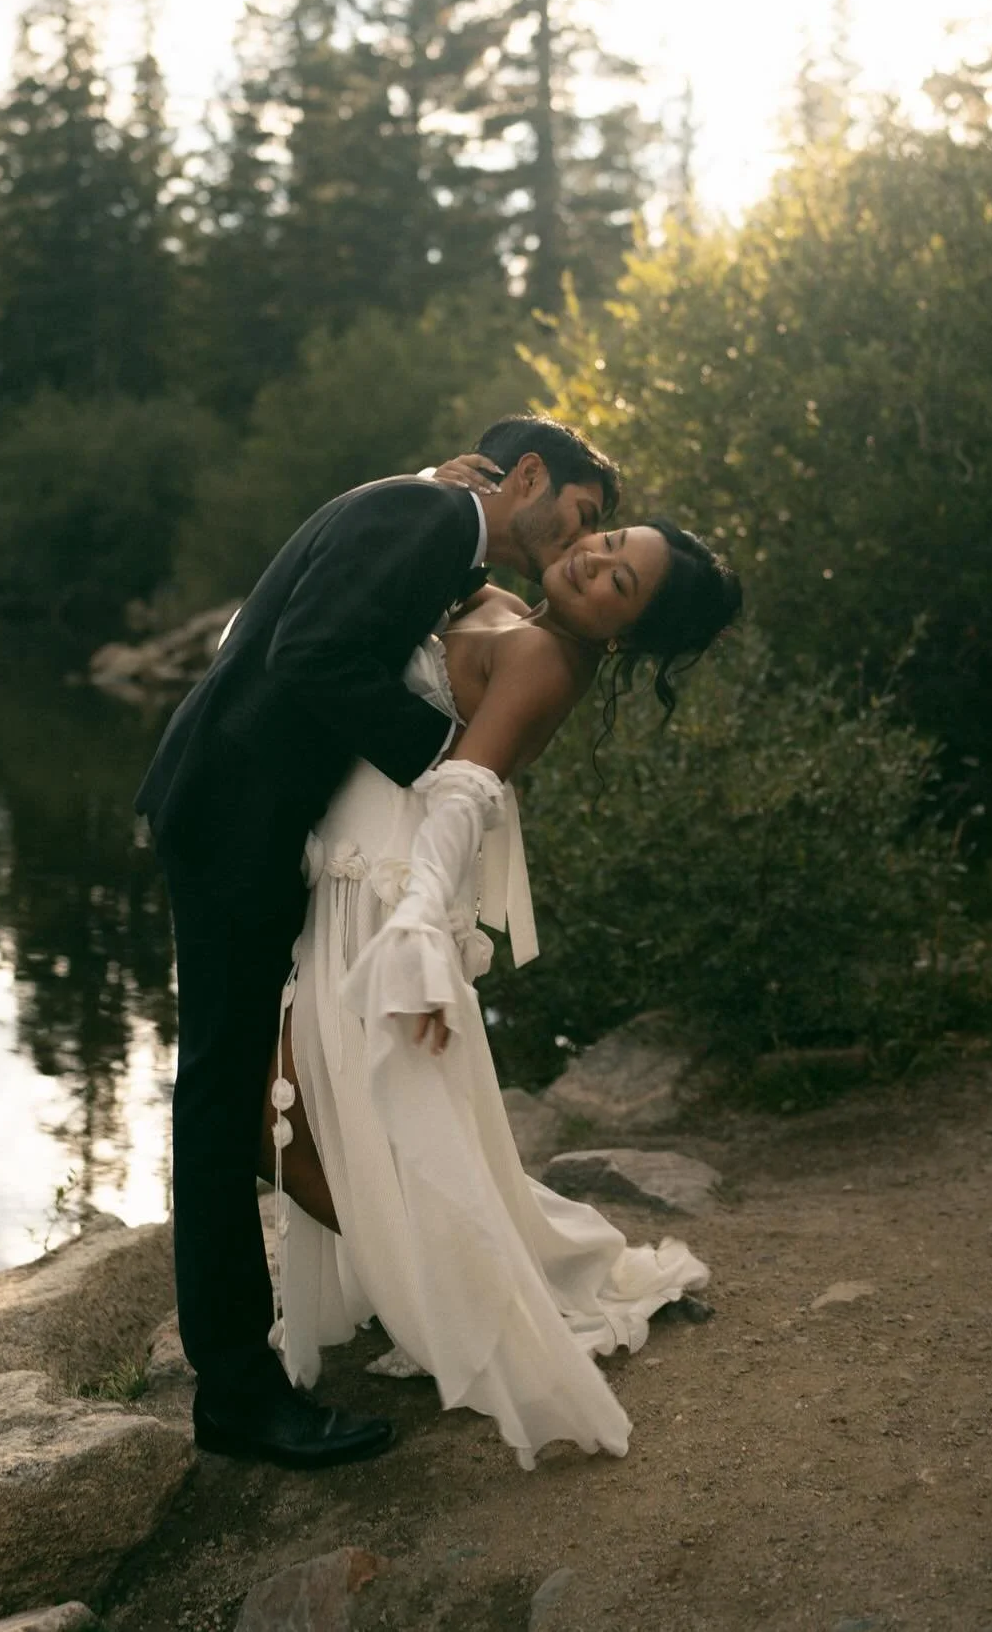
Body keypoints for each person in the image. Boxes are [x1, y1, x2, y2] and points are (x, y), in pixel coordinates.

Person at [135, 416, 621, 1471]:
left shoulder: (433, 523)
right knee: (220, 1100)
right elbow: (309, 653)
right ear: (528, 476)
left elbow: (326, 624)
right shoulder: (427, 515)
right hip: (232, 820)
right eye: (582, 513)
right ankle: (237, 1392)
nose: (580, 540)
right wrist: (449, 753)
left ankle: (282, 1344)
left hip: (245, 817)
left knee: (236, 1092)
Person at [256, 514, 741, 1468]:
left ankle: (435, 1288)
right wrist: (444, 489)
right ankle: (428, 1279)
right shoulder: (497, 599)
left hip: (386, 893)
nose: (594, 560)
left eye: (619, 583)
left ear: (623, 635)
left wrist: (415, 922)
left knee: (279, 1113)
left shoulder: (546, 661)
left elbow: (469, 792)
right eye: (610, 542)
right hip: (345, 870)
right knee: (314, 1115)